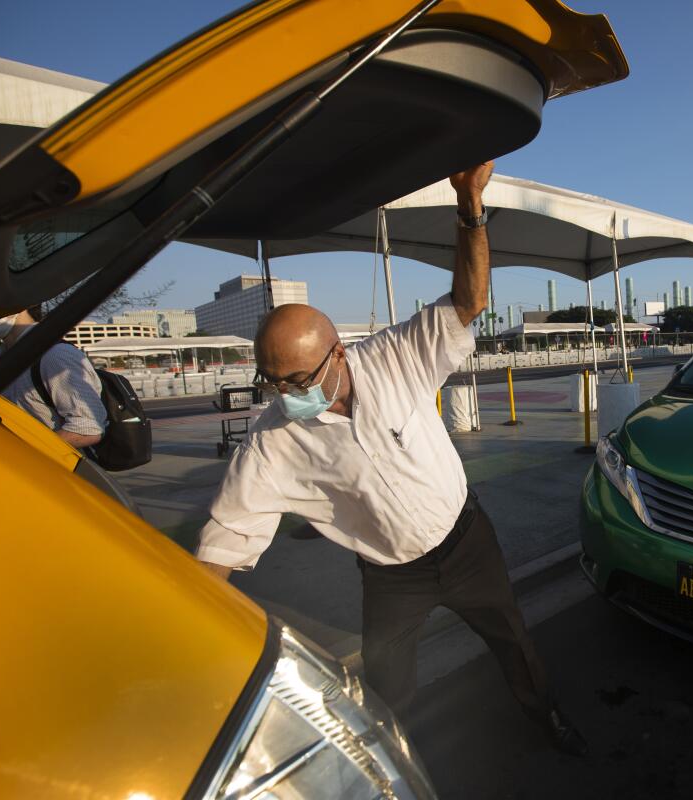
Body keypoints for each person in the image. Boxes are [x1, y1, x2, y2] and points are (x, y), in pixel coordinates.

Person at [195, 162, 588, 757]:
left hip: (467, 543)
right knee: (386, 687)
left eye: (297, 378)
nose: (284, 395)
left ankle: (546, 716)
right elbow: (224, 539)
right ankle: (389, 769)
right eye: (272, 381)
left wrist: (470, 206)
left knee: (513, 641)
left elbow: (470, 298)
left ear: (339, 353)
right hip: (392, 578)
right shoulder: (273, 440)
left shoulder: (395, 356)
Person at [0, 305, 107, 449]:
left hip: (53, 467)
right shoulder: (4, 359)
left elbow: (87, 429)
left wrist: (23, 452)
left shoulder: (54, 355)